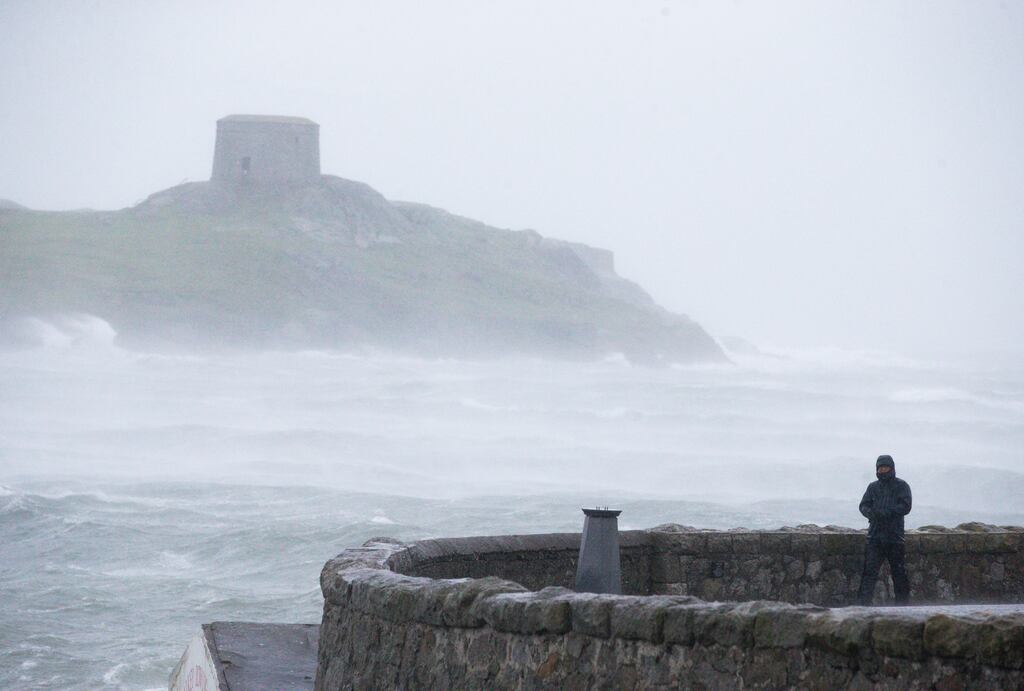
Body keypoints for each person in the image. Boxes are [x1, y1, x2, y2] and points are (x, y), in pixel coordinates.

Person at [856, 454, 912, 605]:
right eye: (880, 468)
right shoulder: (872, 487)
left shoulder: (902, 486)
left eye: (885, 467)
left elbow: (906, 506)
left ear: (892, 468)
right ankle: (863, 606)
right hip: (875, 538)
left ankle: (903, 607)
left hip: (895, 538)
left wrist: (888, 513)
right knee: (869, 574)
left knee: (899, 574)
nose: (882, 470)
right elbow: (863, 505)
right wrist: (871, 513)